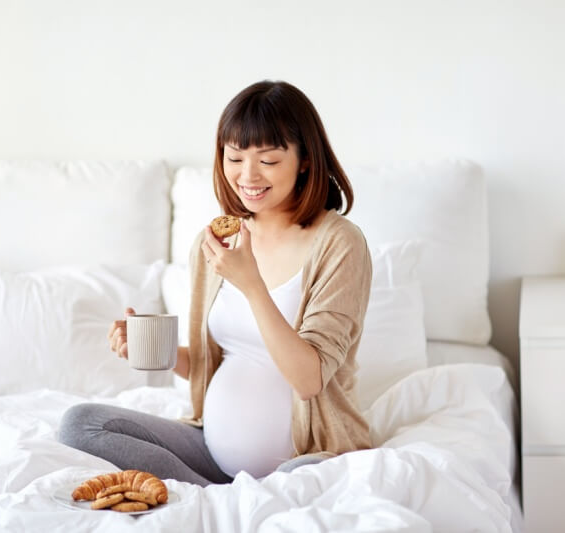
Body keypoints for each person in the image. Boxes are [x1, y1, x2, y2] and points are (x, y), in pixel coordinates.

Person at [57, 80, 373, 487]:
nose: (248, 175)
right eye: (234, 157)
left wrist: (252, 285)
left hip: (306, 456)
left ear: (306, 159)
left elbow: (309, 380)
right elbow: (216, 361)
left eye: (269, 161)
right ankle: (214, 494)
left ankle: (214, 497)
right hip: (210, 450)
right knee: (79, 425)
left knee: (303, 480)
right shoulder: (217, 242)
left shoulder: (339, 243)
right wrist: (160, 351)